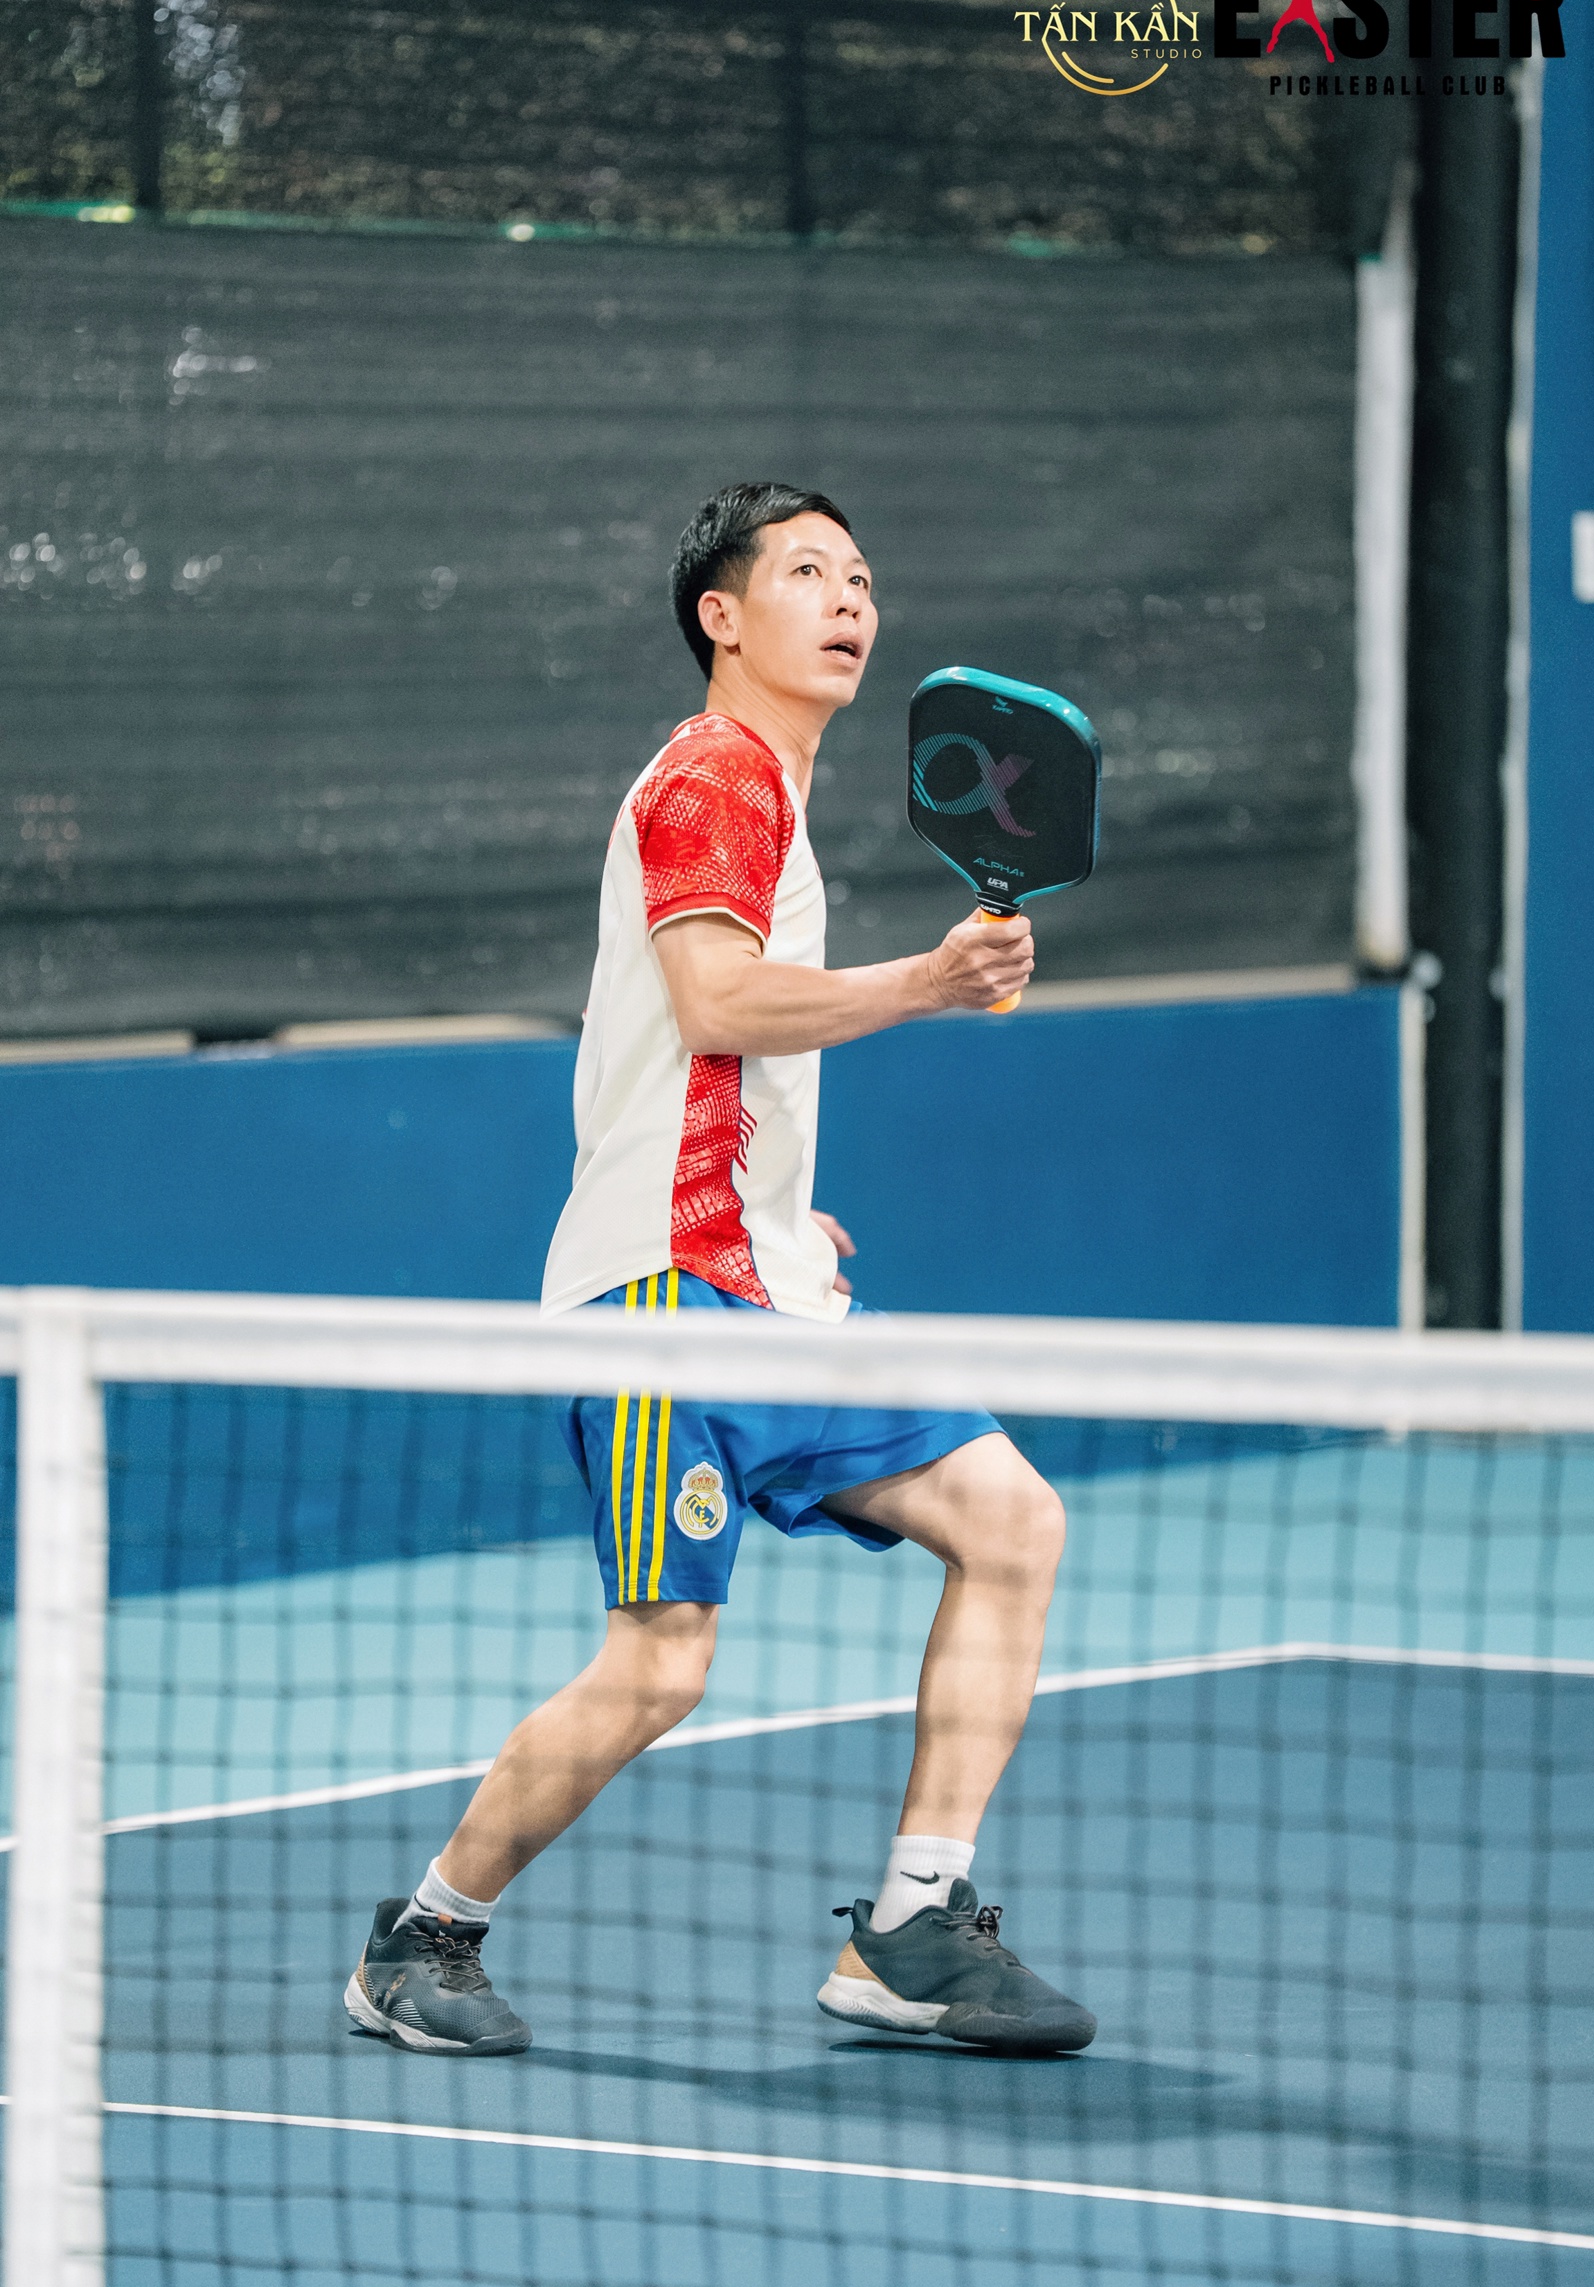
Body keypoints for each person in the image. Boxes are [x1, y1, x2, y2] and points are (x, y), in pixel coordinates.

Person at [346, 482, 1097, 2058]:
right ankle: (425, 1936)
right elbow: (717, 1001)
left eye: (863, 577)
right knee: (661, 1668)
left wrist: (780, 1211)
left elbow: (716, 1060)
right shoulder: (713, 773)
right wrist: (930, 981)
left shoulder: (775, 792)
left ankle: (912, 1926)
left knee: (1013, 1521)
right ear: (722, 615)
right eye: (809, 571)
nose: (850, 599)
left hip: (765, 1287)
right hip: (661, 1308)